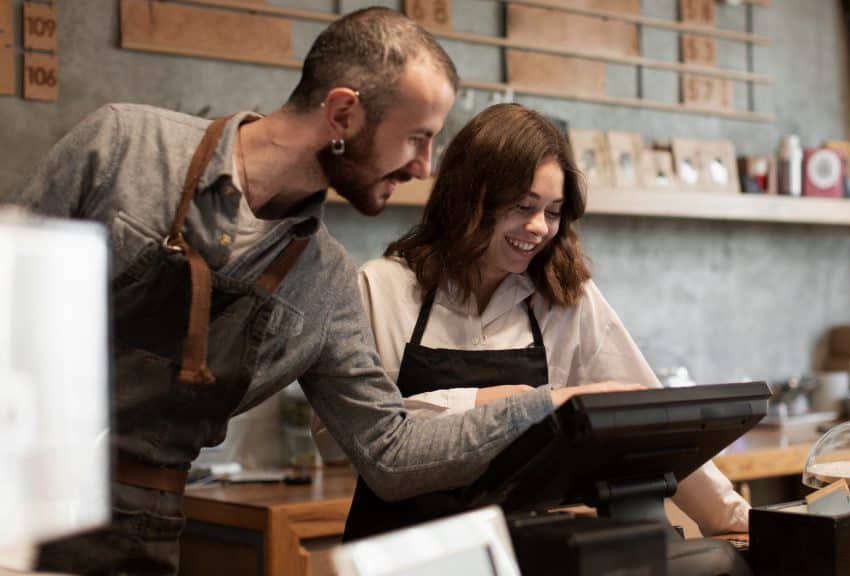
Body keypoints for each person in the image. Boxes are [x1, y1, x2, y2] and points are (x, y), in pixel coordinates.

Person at [2, 9, 633, 575]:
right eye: (417, 138)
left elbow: (390, 452)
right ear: (341, 115)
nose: (425, 167)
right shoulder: (125, 148)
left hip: (141, 533)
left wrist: (550, 403)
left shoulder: (327, 280)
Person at [314, 103, 751, 542]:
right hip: (400, 555)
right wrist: (510, 401)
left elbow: (652, 420)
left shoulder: (564, 296)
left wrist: (732, 516)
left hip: (521, 553)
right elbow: (338, 439)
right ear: (471, 197)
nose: (539, 227)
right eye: (524, 206)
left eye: (554, 211)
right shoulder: (381, 287)